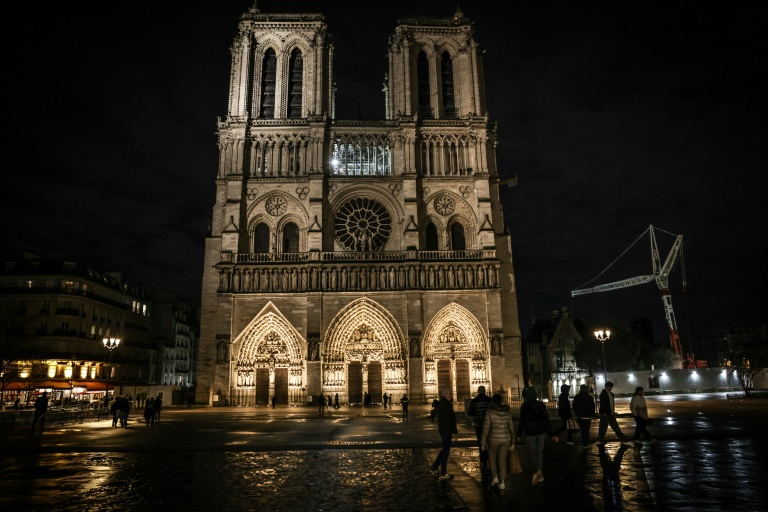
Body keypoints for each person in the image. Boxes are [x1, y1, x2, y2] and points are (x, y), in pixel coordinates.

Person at [516, 388, 558, 485]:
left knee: (531, 453)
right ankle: (539, 473)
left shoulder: (525, 406)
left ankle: (536, 471)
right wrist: (552, 434)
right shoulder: (541, 405)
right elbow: (546, 420)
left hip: (530, 432)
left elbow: (522, 421)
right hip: (541, 432)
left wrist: (519, 434)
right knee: (539, 452)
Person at [480, 393, 515, 490]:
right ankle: (502, 482)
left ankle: (495, 477)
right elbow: (511, 429)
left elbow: (486, 428)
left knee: (492, 459)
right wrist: (513, 442)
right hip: (505, 440)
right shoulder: (507, 413)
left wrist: (482, 442)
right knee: (502, 461)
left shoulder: (489, 412)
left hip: (493, 440)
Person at [430, 387, 458, 480]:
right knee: (446, 451)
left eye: (450, 392)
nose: (449, 394)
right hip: (446, 429)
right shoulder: (445, 404)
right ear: (443, 395)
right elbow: (446, 418)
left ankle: (434, 467)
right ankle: (443, 472)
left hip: (445, 429)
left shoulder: (445, 403)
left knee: (444, 449)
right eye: (447, 393)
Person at [467, 385, 493, 470]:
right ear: (485, 391)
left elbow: (469, 413)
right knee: (489, 442)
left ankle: (483, 459)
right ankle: (490, 458)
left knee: (481, 442)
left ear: (478, 391)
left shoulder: (474, 401)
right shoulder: (490, 400)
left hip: (479, 425)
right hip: (488, 425)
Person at [597, 381, 630, 446]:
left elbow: (611, 404)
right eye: (609, 386)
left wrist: (613, 411)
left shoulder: (611, 394)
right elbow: (603, 404)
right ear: (606, 386)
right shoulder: (604, 394)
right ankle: (600, 440)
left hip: (611, 414)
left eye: (611, 386)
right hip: (606, 414)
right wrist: (603, 412)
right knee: (604, 428)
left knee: (614, 427)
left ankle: (623, 439)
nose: (611, 388)